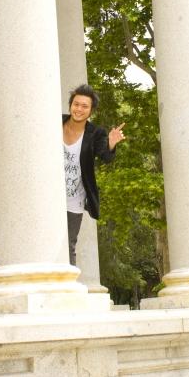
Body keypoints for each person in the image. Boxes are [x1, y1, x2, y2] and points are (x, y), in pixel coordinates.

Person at [62, 84, 125, 266]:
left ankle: (69, 288)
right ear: (70, 105)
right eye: (76, 104)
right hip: (48, 195)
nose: (79, 109)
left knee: (68, 245)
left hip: (74, 199)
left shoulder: (96, 133)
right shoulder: (55, 122)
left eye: (84, 106)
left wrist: (111, 143)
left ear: (90, 111)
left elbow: (105, 156)